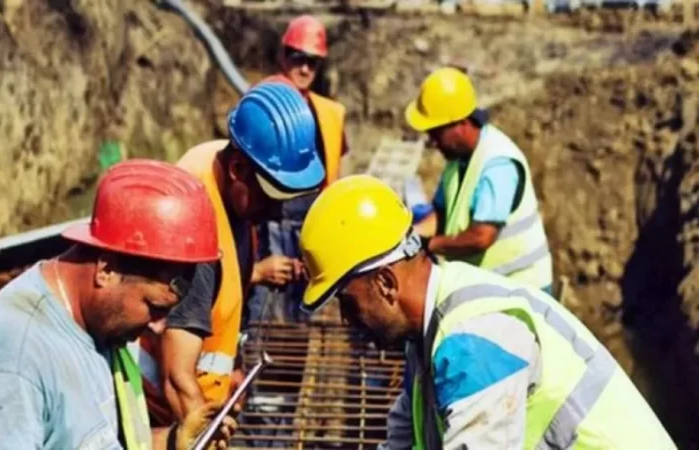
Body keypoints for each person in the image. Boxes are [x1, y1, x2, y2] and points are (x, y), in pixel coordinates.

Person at [297, 174, 677, 450]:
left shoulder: (474, 340)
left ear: (385, 283)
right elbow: (404, 436)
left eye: (347, 301)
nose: (346, 319)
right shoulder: (427, 333)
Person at [0, 160, 237, 449]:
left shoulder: (97, 328)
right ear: (106, 269)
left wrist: (172, 442)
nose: (160, 328)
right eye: (154, 307)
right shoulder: (14, 360)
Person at [132, 81, 325, 425]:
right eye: (272, 195)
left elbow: (226, 296)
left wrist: (232, 366)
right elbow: (177, 378)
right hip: (160, 416)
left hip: (198, 399)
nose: (277, 212)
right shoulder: (197, 234)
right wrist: (205, 438)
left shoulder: (223, 166)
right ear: (238, 169)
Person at [405, 67, 554, 295]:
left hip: (522, 292)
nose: (432, 142)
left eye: (436, 132)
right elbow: (440, 215)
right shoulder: (457, 161)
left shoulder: (498, 165)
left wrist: (428, 245)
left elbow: (481, 237)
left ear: (461, 124)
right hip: (490, 288)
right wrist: (409, 236)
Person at [249, 14, 350, 323]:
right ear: (283, 56)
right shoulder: (261, 104)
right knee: (265, 310)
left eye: (313, 62)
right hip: (269, 222)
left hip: (310, 221)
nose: (305, 69)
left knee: (304, 311)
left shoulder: (329, 112)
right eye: (298, 59)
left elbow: (337, 163)